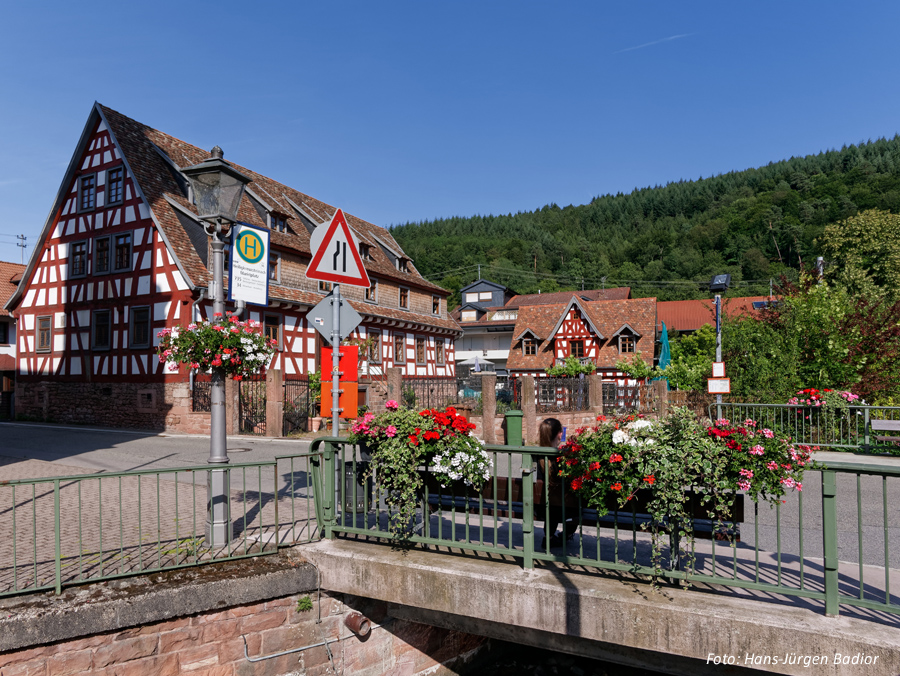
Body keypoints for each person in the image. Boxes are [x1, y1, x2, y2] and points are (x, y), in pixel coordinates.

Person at [537, 417, 578, 549]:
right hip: (564, 508)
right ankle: (566, 535)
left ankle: (548, 537)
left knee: (552, 502)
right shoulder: (562, 457)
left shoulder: (536, 456)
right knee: (574, 504)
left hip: (540, 507)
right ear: (559, 433)